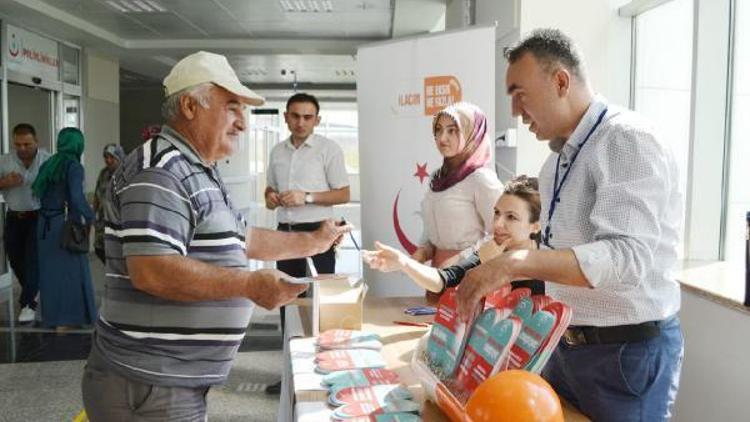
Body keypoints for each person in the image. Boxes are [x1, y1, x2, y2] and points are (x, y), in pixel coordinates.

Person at [80, 51, 351, 421]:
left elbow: (240, 238)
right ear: (190, 106)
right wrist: (249, 285)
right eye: (232, 108)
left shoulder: (199, 168)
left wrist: (314, 241)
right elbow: (152, 271)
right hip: (149, 381)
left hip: (172, 380)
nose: (242, 123)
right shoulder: (160, 170)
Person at [455, 29, 684, 421]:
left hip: (623, 354)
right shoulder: (557, 162)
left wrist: (514, 263)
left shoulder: (625, 140)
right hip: (564, 342)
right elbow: (562, 253)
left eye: (519, 93)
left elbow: (627, 258)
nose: (515, 110)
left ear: (561, 81)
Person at [263, 92, 351, 395]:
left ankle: (328, 369)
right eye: (295, 116)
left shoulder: (329, 149)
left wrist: (307, 197)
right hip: (285, 233)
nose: (300, 122)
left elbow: (343, 194)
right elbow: (268, 191)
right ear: (286, 117)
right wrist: (271, 197)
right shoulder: (276, 151)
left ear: (317, 120)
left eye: (307, 117)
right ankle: (289, 374)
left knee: (322, 301)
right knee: (285, 301)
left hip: (320, 232)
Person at [363, 175, 544, 295]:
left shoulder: (552, 259)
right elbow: (444, 279)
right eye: (497, 213)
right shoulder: (489, 250)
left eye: (511, 217)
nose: (497, 224)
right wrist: (403, 263)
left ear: (535, 226)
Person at [412, 102, 503, 301]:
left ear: (472, 133)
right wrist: (424, 249)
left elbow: (500, 237)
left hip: (471, 274)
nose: (442, 138)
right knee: (436, 330)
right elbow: (433, 224)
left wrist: (460, 260)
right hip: (437, 274)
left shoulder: (482, 179)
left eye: (452, 131)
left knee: (465, 330)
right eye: (438, 130)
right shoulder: (437, 177)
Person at [32, 127, 96, 330]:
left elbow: (39, 195)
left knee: (50, 274)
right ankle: (68, 319)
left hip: (44, 226)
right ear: (78, 145)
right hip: (64, 226)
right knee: (71, 273)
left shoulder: (48, 164)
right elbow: (77, 199)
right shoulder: (74, 166)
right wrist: (92, 216)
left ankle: (51, 317)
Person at [0, 123, 50, 323]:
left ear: (36, 142)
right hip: (14, 217)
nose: (22, 148)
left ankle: (28, 303)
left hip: (38, 217)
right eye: (18, 144)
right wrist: (5, 183)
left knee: (32, 260)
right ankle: (33, 291)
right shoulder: (5, 161)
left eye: (26, 144)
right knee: (15, 259)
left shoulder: (48, 160)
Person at [92, 143, 125, 263]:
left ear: (119, 157)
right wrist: (92, 214)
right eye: (106, 157)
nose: (108, 160)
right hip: (102, 221)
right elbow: (97, 195)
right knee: (100, 250)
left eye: (112, 157)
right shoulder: (103, 173)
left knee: (116, 255)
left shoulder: (126, 174)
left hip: (118, 222)